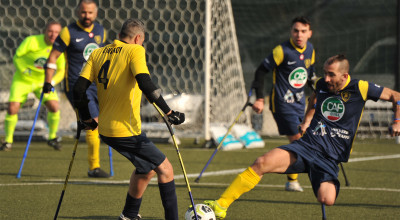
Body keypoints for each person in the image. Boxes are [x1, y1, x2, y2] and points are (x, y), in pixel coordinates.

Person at [204, 54, 400, 219]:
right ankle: (221, 206)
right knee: (261, 162)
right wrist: (307, 119)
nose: (327, 78)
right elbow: (314, 97)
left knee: (327, 199)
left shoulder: (361, 87)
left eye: (332, 74)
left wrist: (397, 120)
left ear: (345, 75)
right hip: (306, 146)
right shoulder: (323, 84)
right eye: (325, 73)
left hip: (329, 158)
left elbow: (396, 96)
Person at [71, 18, 185, 220]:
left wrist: (86, 119)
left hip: (105, 129)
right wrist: (169, 112)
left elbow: (78, 89)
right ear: (138, 38)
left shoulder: (97, 52)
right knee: (166, 169)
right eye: (142, 41)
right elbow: (145, 82)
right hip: (126, 130)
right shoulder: (135, 50)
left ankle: (128, 215)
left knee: (145, 169)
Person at [44, 0, 109, 177]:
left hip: (96, 84)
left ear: (95, 13)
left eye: (89, 13)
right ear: (77, 12)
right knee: (92, 122)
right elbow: (52, 57)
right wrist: (48, 82)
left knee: (100, 122)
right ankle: (93, 167)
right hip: (77, 85)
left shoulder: (101, 31)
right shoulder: (68, 32)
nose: (86, 16)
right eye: (83, 12)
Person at [251, 16, 317, 192]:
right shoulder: (282, 51)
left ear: (310, 33)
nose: (299, 35)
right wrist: (259, 98)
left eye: (303, 31)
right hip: (281, 103)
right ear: (291, 32)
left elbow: (310, 74)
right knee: (297, 139)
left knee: (301, 138)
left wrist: (320, 88)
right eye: (296, 31)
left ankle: (292, 178)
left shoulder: (310, 49)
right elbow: (260, 71)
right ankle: (293, 180)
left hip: (300, 103)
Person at [1, 21, 65, 151]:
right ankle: (8, 140)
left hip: (44, 81)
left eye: (57, 32)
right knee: (13, 108)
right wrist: (24, 70)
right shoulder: (31, 41)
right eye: (50, 31)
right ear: (45, 31)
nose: (53, 34)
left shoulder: (60, 48)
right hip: (23, 80)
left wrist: (50, 82)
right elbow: (17, 57)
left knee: (54, 106)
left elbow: (61, 71)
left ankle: (52, 137)